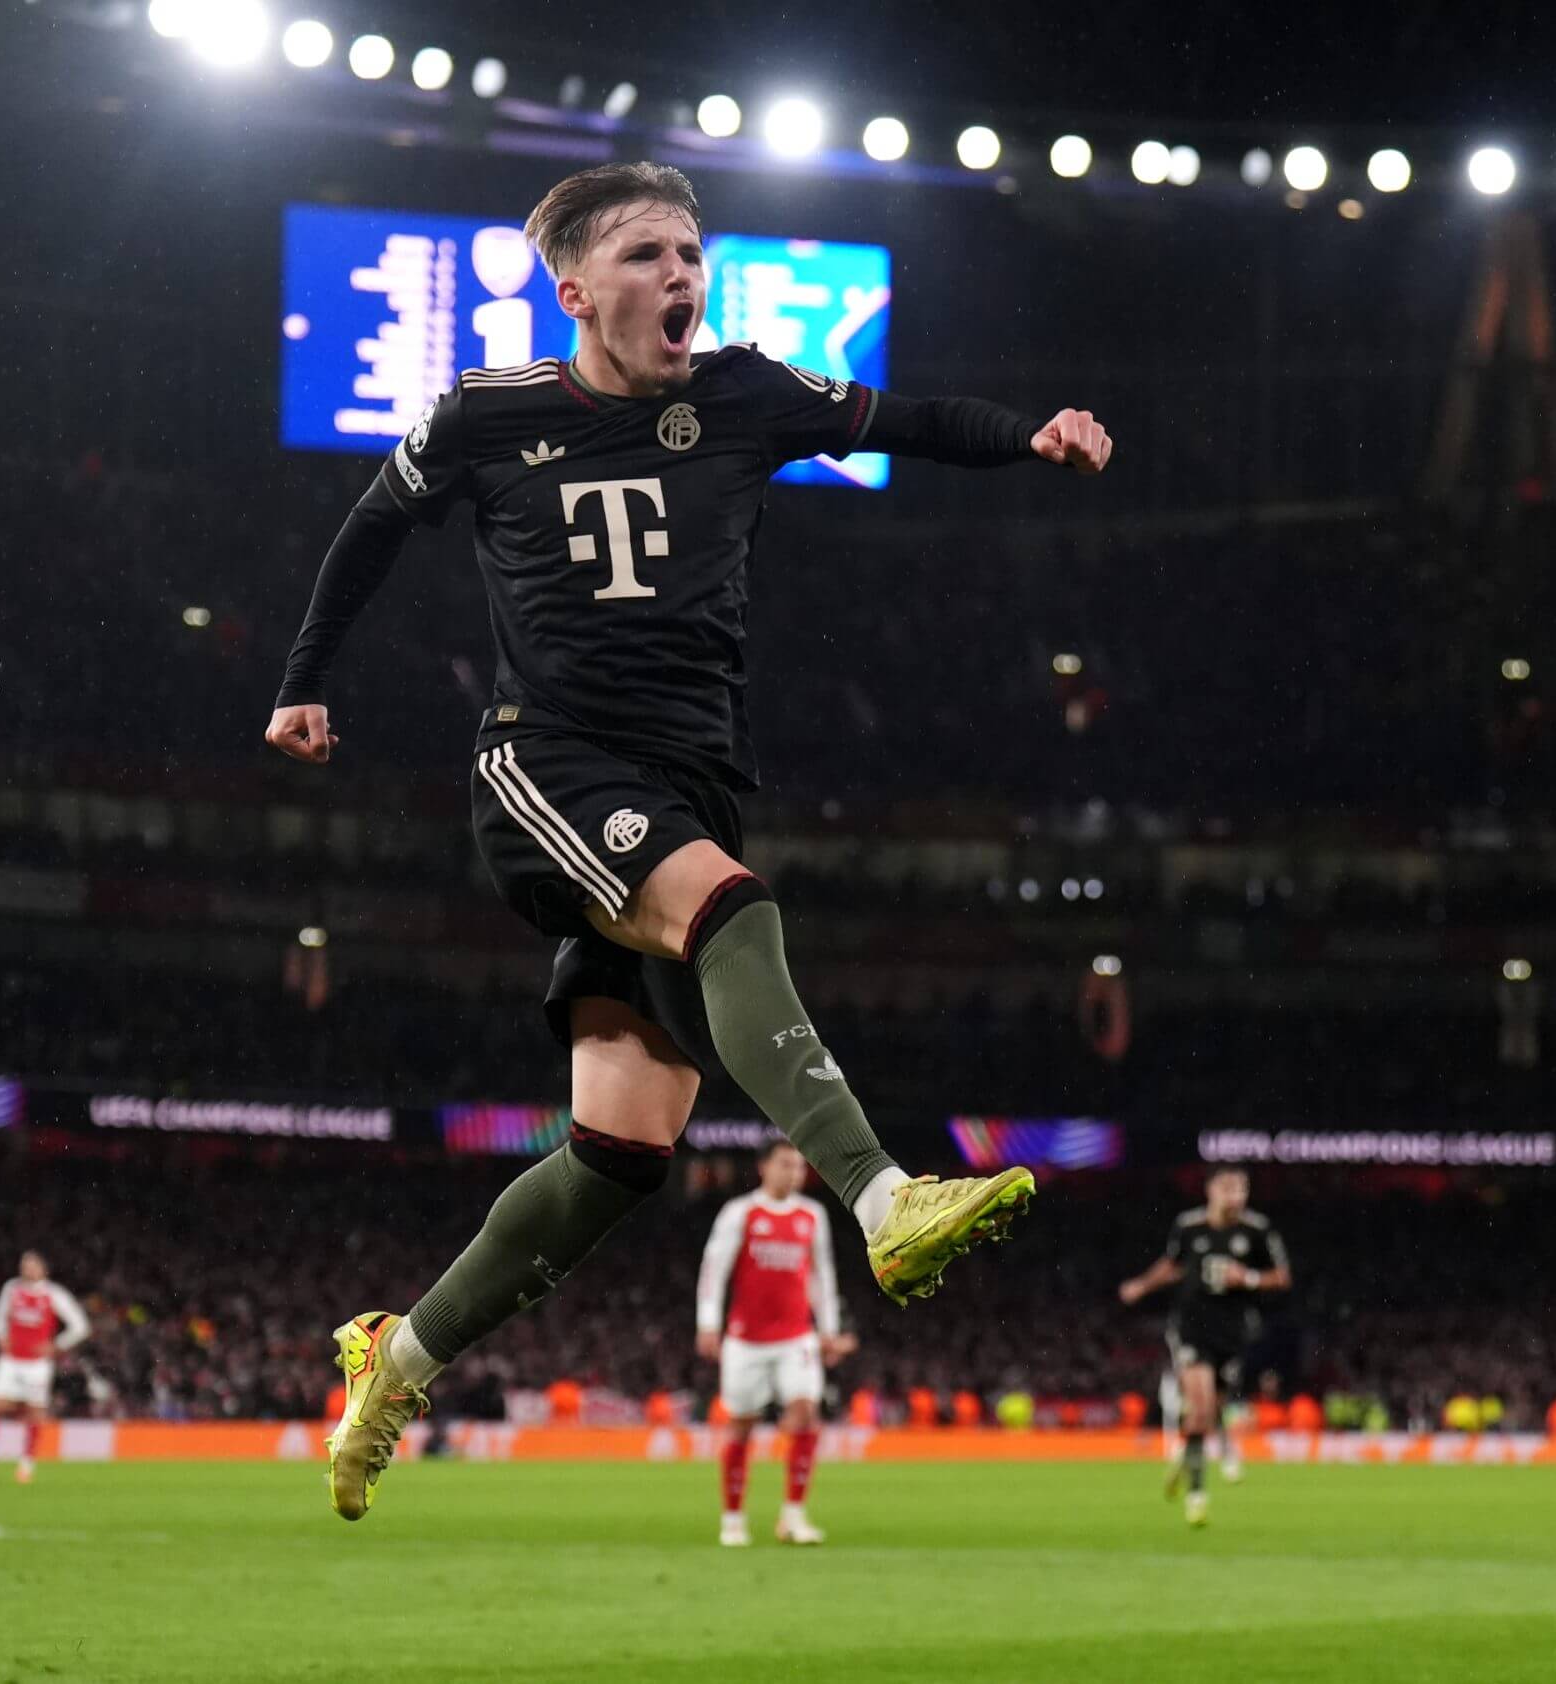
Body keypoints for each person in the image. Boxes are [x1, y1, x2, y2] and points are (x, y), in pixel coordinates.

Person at [268, 161, 1111, 1522]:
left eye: (692, 254)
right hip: (546, 764)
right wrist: (306, 678)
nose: (683, 277)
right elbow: (373, 528)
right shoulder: (490, 417)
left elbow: (910, 418)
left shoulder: (742, 393)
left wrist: (1035, 435)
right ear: (577, 290)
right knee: (729, 909)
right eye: (652, 255)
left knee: (624, 1149)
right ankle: (885, 1197)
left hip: (685, 784)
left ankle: (397, 1356)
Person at [694, 1142, 854, 1546]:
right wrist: (708, 1323)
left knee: (806, 1414)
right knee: (741, 1427)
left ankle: (793, 1517)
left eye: (800, 1166)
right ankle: (733, 1519)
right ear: (764, 1167)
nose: (795, 1173)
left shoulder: (811, 1215)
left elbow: (821, 1276)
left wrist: (828, 1329)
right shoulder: (741, 1213)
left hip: (796, 1337)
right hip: (745, 1341)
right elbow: (715, 1268)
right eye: (786, 1164)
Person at [1118, 1169, 1291, 1528]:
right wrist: (1141, 1285)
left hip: (1233, 1332)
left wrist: (1249, 1277)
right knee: (1200, 1410)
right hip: (1191, 1328)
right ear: (1211, 1190)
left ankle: (1185, 1455)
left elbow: (1281, 1277)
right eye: (1228, 1187)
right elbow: (1172, 1265)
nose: (1236, 1194)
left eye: (1242, 1187)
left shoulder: (1257, 1230)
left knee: (1212, 1410)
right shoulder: (1190, 1226)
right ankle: (1197, 1497)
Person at [0, 1251, 90, 1484]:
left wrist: (56, 1346)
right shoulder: (12, 1289)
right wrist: (0, 1335)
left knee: (34, 1413)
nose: (27, 1269)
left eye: (32, 1265)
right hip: (10, 1360)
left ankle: (26, 1465)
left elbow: (80, 1326)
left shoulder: (53, 1294)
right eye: (24, 1264)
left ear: (43, 1269)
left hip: (37, 1364)